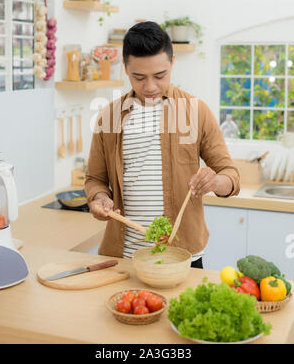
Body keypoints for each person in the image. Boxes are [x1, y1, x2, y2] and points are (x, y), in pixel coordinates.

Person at [85, 21, 240, 268]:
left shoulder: (195, 111)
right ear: (125, 68)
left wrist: (215, 182)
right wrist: (99, 197)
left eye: (160, 76)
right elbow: (94, 178)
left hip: (183, 257)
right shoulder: (109, 117)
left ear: (172, 63)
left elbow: (230, 176)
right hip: (125, 257)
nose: (150, 87)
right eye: (139, 77)